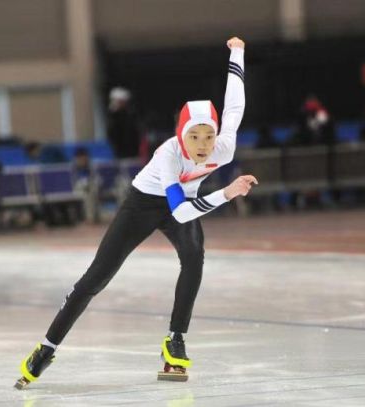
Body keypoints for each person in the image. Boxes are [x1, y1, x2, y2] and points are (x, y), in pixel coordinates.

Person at [15, 37, 257, 388]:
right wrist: (226, 193)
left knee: (193, 258)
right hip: (144, 203)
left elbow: (234, 105)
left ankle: (175, 338)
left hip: (184, 201)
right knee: (96, 278)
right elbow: (181, 213)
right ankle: (47, 347)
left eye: (209, 136)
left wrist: (237, 53)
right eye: (194, 137)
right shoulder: (168, 155)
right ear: (181, 135)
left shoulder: (224, 146)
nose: (203, 146)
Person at [106, 86, 142, 159]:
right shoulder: (113, 116)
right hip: (119, 153)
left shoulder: (130, 115)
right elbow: (112, 133)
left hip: (131, 152)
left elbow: (133, 134)